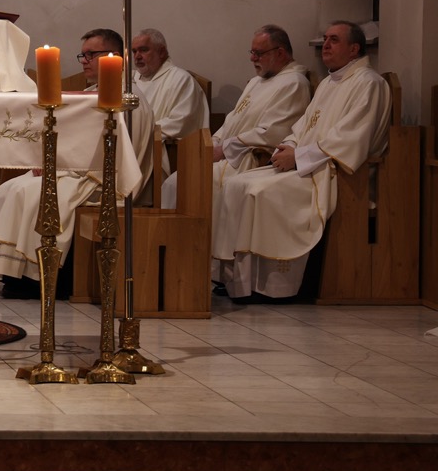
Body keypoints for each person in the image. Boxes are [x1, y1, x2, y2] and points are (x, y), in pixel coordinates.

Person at [213, 21, 390, 302]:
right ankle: (239, 280)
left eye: (334, 40)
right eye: (326, 39)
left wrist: (297, 156)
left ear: (354, 48)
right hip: (312, 164)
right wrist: (290, 147)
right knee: (238, 183)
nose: (326, 45)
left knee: (258, 191)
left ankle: (273, 287)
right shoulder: (330, 82)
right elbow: (303, 127)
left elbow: (350, 139)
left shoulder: (369, 83)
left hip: (335, 173)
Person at [0, 28, 156, 298]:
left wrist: (58, 167)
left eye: (91, 54)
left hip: (105, 180)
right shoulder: (93, 93)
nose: (84, 61)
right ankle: (12, 271)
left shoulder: (126, 99)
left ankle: (40, 278)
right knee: (6, 189)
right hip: (82, 171)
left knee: (29, 193)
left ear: (115, 57)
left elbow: (116, 155)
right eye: (83, 55)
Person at [162, 25, 310, 213]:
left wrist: (224, 149)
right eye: (252, 52)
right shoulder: (257, 81)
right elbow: (232, 120)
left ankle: (196, 231)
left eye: (258, 53)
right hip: (229, 156)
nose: (252, 58)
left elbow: (270, 134)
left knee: (181, 184)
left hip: (245, 161)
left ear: (280, 53)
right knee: (176, 182)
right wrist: (213, 143)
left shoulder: (294, 83)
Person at [132, 28, 210, 142]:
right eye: (134, 51)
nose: (137, 56)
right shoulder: (132, 78)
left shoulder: (181, 80)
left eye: (143, 50)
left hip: (160, 147)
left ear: (161, 52)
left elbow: (180, 123)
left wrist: (135, 132)